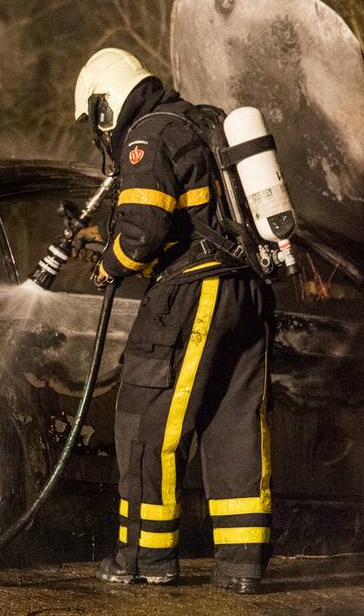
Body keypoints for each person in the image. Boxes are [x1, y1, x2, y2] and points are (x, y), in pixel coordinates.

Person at [73, 47, 275, 593]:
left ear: (104, 105)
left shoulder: (147, 135)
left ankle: (143, 558)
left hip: (193, 292)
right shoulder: (198, 120)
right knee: (232, 426)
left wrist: (107, 267)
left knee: (145, 419)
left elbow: (142, 234)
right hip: (246, 291)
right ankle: (241, 566)